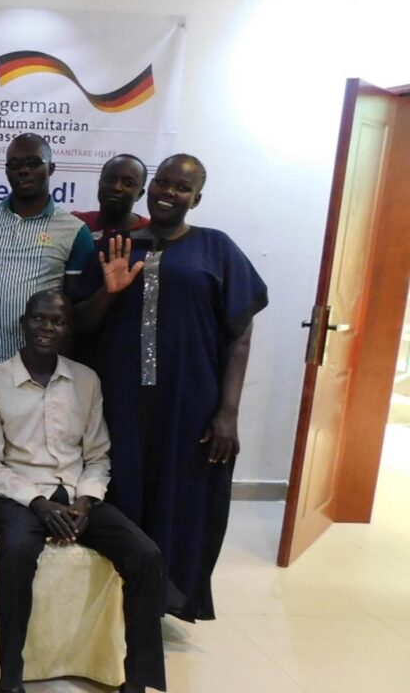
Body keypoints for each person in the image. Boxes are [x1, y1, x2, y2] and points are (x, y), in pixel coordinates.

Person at [76, 154, 268, 622]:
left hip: (189, 405)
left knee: (180, 498)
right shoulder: (116, 245)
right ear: (149, 188)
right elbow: (81, 323)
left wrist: (228, 411)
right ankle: (114, 605)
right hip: (120, 400)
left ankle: (162, 602)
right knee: (121, 493)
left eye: (182, 187)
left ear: (196, 198)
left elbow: (240, 332)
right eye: (162, 182)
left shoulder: (215, 248)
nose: (168, 192)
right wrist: (110, 291)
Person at [0, 290, 166, 693]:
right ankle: (10, 677)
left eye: (57, 321)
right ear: (24, 323)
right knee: (17, 553)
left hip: (76, 496)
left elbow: (98, 455)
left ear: (68, 328)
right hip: (18, 497)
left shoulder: (85, 380)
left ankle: (137, 680)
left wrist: (85, 500)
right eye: (40, 319)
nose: (48, 328)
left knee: (145, 554)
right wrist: (39, 504)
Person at [0, 133, 95, 388]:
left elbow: (73, 307)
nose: (23, 170)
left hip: (41, 365)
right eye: (14, 164)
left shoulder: (75, 230)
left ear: (51, 168)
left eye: (34, 163)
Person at [72, 154, 152, 241]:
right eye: (110, 179)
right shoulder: (76, 223)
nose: (116, 187)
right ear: (99, 183)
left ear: (139, 194)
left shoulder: (150, 232)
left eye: (128, 183)